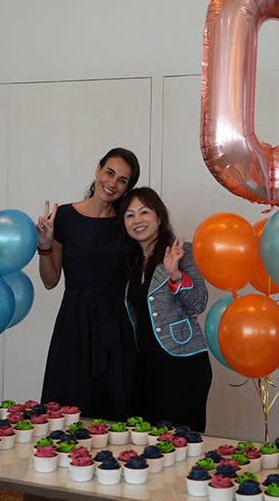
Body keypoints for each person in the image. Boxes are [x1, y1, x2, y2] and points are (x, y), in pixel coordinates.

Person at [36, 147, 141, 421]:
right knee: (66, 407)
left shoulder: (128, 223)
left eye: (123, 180)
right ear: (98, 169)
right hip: (74, 323)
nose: (113, 183)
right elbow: (50, 281)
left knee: (115, 409)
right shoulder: (66, 217)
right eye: (110, 172)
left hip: (116, 325)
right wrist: (45, 247)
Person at [120, 187, 211, 431]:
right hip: (145, 366)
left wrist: (175, 275)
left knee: (182, 442)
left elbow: (199, 302)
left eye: (144, 212)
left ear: (159, 217)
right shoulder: (131, 262)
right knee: (147, 443)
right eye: (129, 215)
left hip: (183, 363)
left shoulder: (183, 250)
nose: (137, 220)